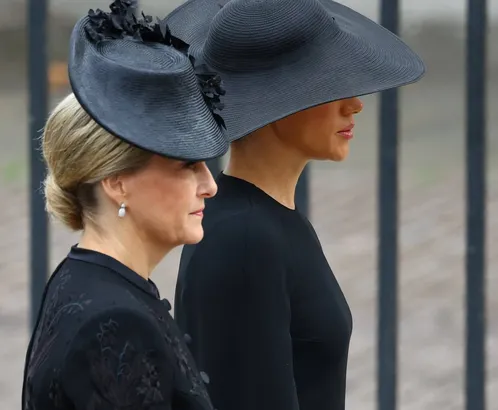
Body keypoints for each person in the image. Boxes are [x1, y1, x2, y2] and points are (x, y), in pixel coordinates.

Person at [163, 0, 425, 409]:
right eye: (328, 84)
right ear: (274, 102)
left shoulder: (264, 219)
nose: (354, 104)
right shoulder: (246, 238)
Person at [21, 1, 229, 409]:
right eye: (187, 165)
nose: (209, 185)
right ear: (117, 182)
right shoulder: (114, 324)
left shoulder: (85, 279)